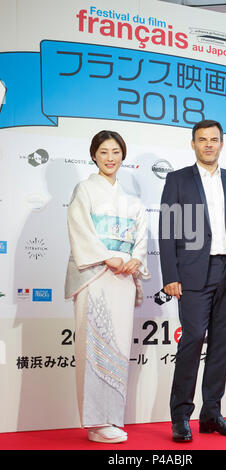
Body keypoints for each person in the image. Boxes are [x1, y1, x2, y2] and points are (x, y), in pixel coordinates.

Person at [159, 120, 226, 441]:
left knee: (221, 345)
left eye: (214, 140)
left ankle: (212, 414)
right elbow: (169, 232)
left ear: (221, 143)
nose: (208, 145)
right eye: (202, 140)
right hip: (192, 276)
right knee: (191, 341)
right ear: (193, 144)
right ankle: (180, 416)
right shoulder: (178, 181)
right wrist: (171, 275)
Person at [65, 130, 149, 443]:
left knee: (118, 347)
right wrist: (107, 257)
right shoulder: (84, 190)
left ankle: (112, 417)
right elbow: (80, 231)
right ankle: (96, 422)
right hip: (96, 276)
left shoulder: (132, 202)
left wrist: (135, 260)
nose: (110, 158)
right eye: (103, 152)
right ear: (93, 156)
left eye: (115, 152)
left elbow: (140, 240)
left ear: (122, 155)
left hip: (123, 279)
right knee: (95, 345)